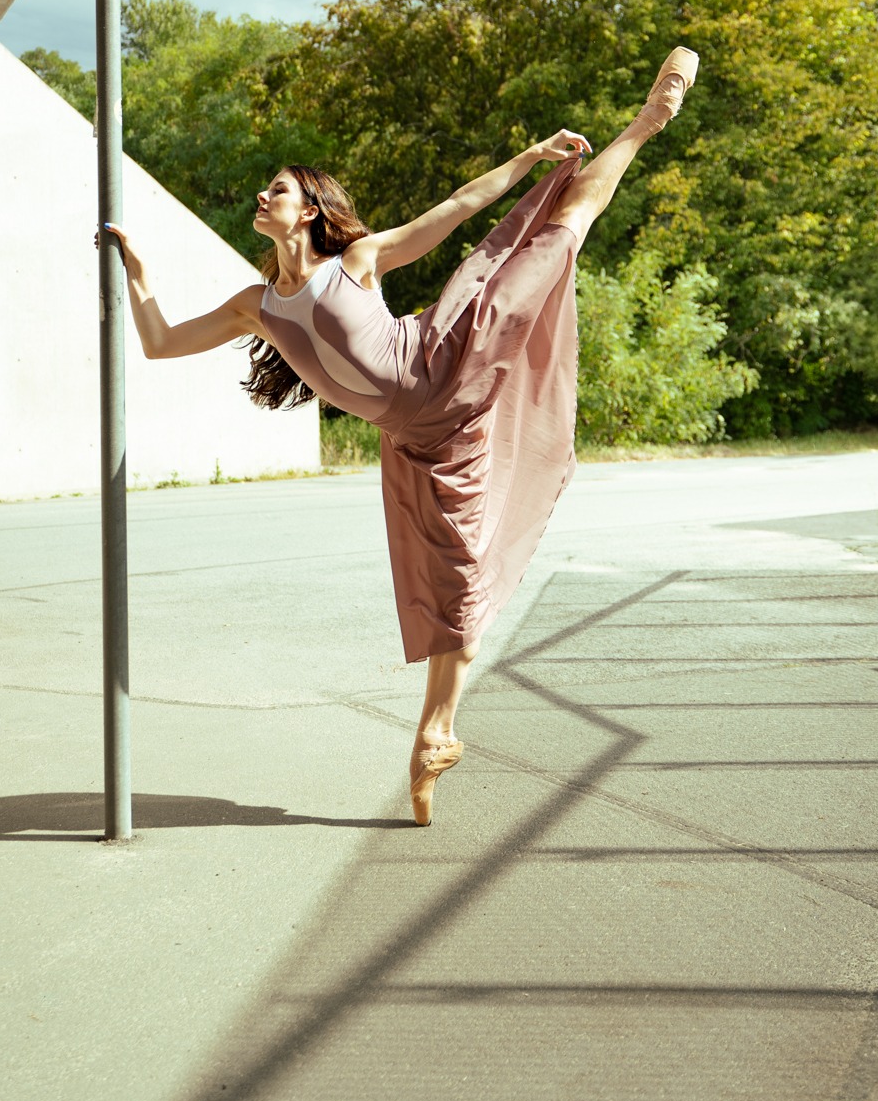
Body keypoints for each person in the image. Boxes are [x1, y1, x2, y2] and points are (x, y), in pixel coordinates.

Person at [105, 46, 698, 826]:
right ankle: (437, 733)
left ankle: (648, 121)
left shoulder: (357, 259)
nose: (262, 194)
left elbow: (455, 210)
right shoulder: (256, 303)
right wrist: (135, 270)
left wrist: (527, 157)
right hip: (421, 437)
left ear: (308, 208)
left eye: (274, 190)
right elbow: (158, 343)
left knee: (558, 230)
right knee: (451, 583)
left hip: (452, 351)